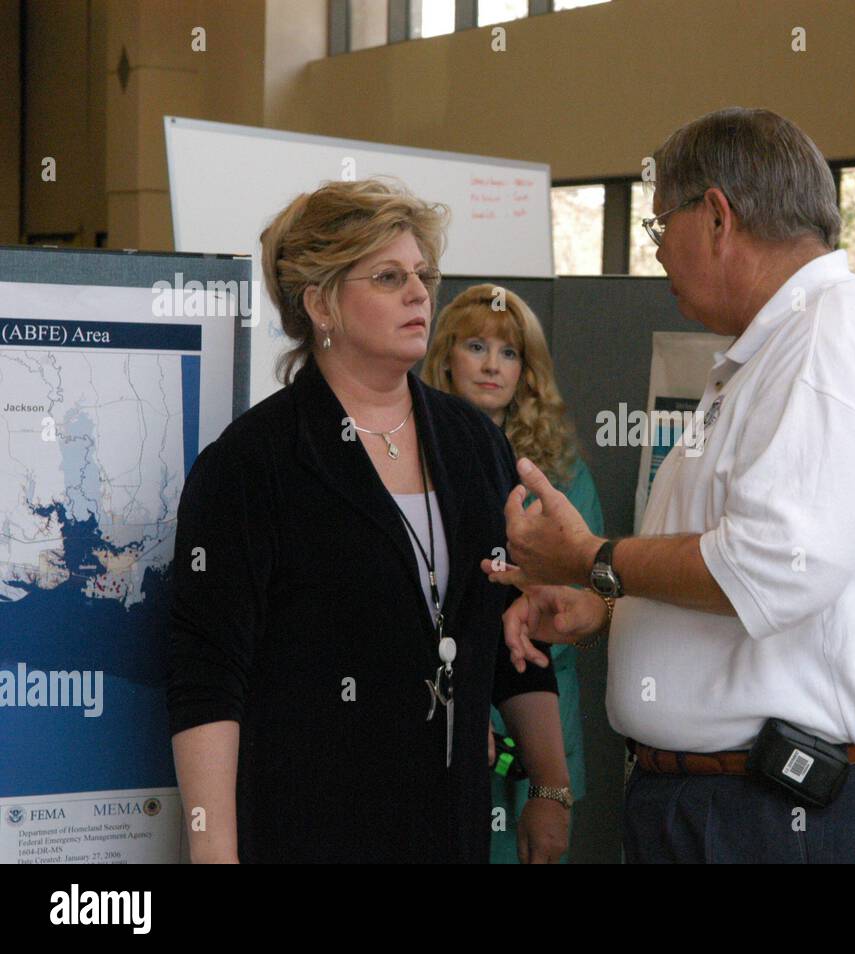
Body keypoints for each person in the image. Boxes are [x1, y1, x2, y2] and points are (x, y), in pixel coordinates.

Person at [483, 107, 855, 863]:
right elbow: (742, 566)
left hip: (785, 816)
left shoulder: (829, 345)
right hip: (729, 806)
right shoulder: (773, 351)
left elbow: (774, 568)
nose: (659, 253)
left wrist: (592, 558)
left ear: (717, 217)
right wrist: (605, 606)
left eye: (659, 226)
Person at [167, 178, 568, 863]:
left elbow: (513, 627)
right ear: (321, 302)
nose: (419, 293)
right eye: (388, 277)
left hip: (451, 829)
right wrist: (214, 855)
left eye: (423, 274)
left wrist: (551, 787)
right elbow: (208, 682)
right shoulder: (252, 463)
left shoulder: (473, 442)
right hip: (307, 829)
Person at [422, 283, 603, 863]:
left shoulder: (562, 474)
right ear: (446, 357)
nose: (493, 366)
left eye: (509, 353)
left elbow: (591, 595)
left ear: (528, 371)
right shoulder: (410, 459)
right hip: (445, 707)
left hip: (542, 699)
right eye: (476, 346)